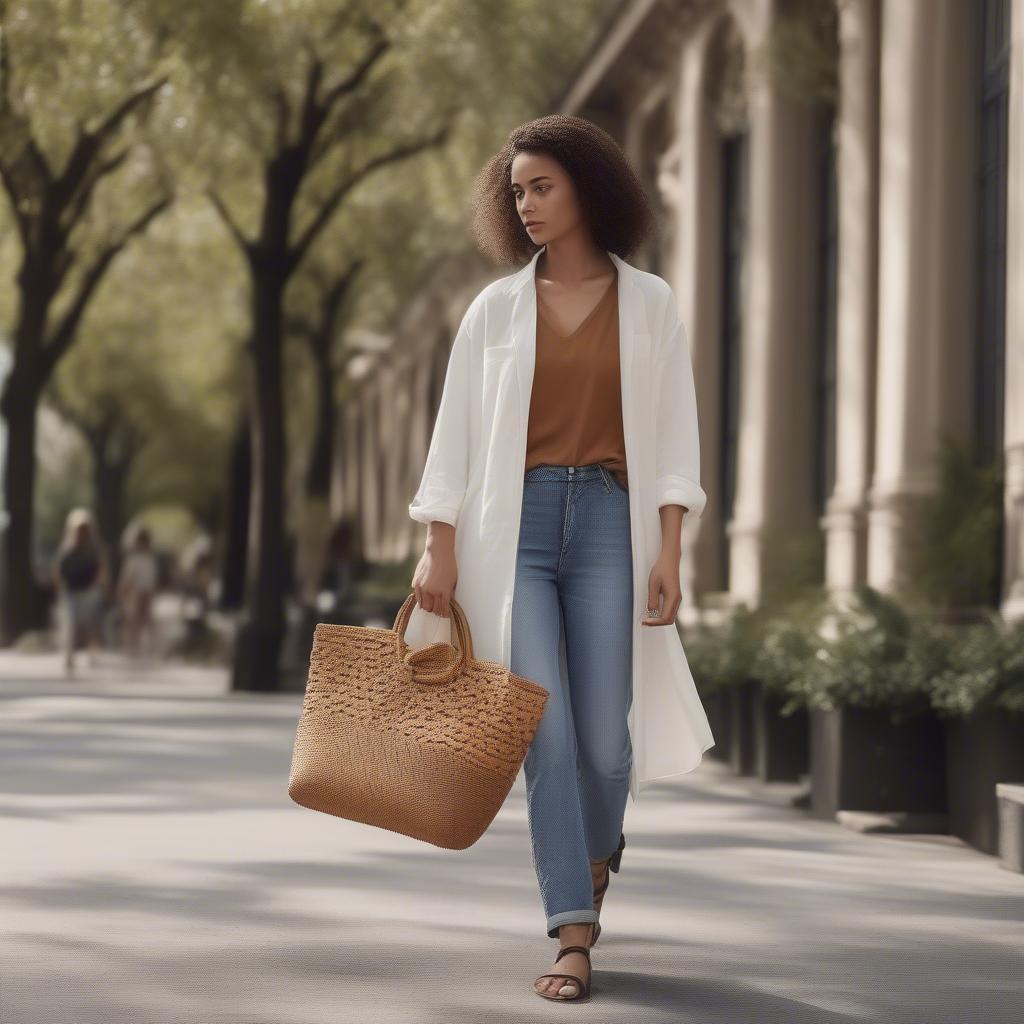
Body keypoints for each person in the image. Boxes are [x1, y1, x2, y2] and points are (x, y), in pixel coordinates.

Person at [409, 115, 709, 1002]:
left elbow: (677, 434)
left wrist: (670, 547)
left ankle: (597, 850)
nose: (527, 204)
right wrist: (439, 546)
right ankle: (572, 932)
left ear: (586, 186)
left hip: (612, 526)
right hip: (518, 531)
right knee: (544, 730)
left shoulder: (649, 301)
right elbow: (453, 435)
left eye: (542, 187)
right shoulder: (495, 310)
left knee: (606, 747)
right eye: (516, 193)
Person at [52, 509, 108, 675]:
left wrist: (100, 586)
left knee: (90, 623)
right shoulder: (67, 548)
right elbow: (58, 570)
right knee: (69, 624)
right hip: (70, 591)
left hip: (89, 591)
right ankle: (69, 656)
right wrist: (60, 588)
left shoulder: (95, 549)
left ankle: (91, 651)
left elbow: (101, 570)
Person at [116, 524, 159, 658]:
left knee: (141, 619)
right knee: (136, 619)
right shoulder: (139, 558)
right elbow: (128, 577)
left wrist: (123, 588)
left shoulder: (145, 558)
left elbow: (130, 577)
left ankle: (146, 646)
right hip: (138, 590)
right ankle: (135, 645)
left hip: (142, 590)